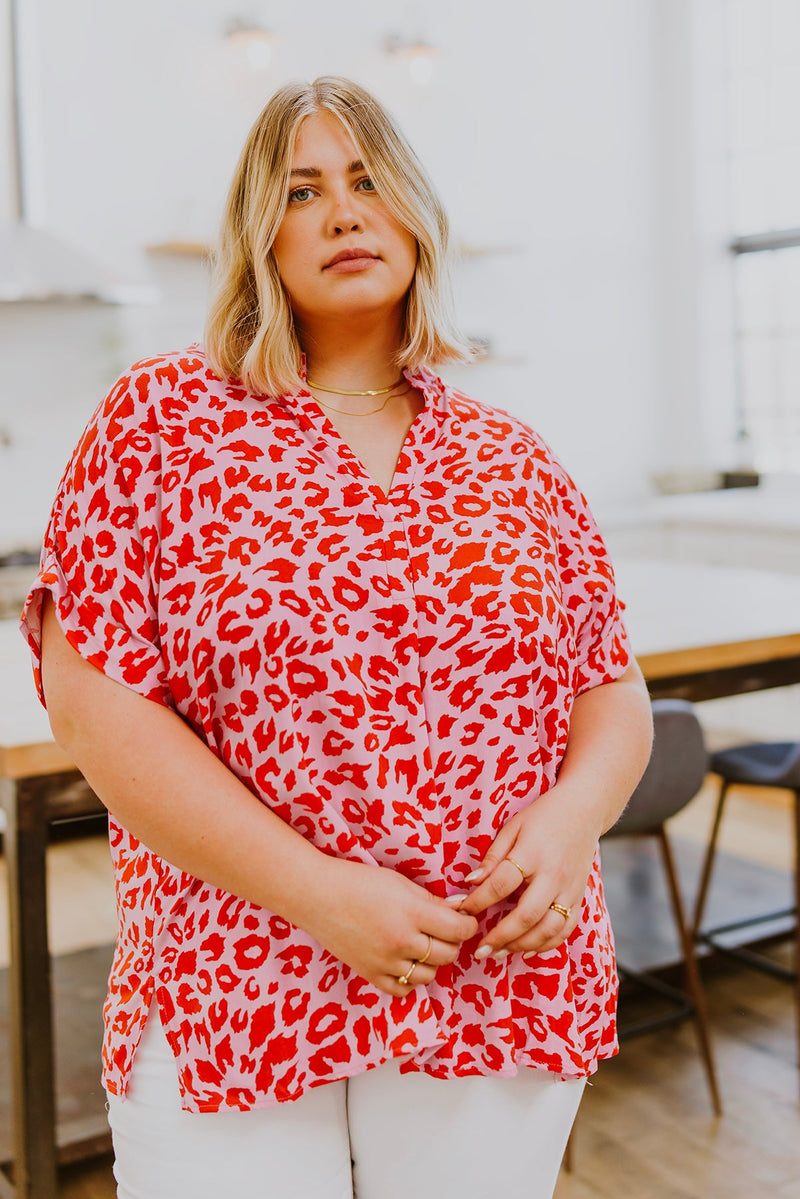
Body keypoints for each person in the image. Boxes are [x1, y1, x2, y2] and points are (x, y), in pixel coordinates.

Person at [22, 76, 653, 1199]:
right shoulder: (160, 419)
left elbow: (606, 683)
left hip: (491, 972)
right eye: (302, 190)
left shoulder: (510, 453)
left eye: (367, 181)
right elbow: (92, 699)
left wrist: (569, 819)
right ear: (259, 235)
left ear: (413, 211)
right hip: (238, 973)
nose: (344, 212)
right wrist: (319, 892)